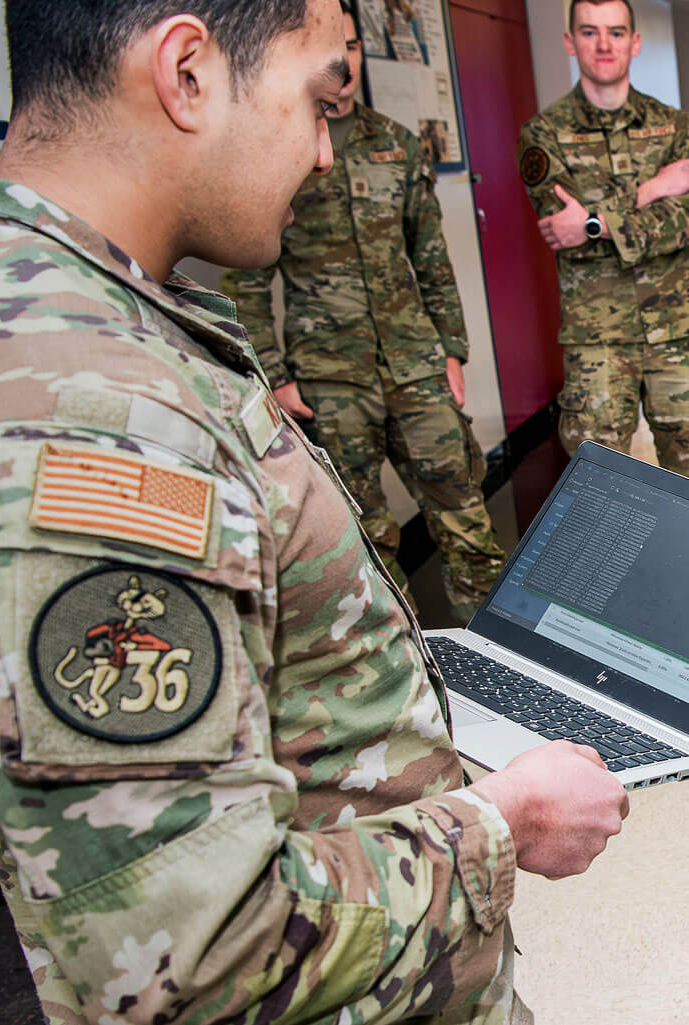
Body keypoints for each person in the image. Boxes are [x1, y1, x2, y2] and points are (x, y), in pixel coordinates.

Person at [0, 2, 629, 1023]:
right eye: (313, 96)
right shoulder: (100, 415)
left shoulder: (89, 318)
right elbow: (193, 947)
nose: (325, 155)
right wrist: (501, 823)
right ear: (188, 72)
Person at [220, 1, 506, 625]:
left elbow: (431, 256)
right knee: (366, 538)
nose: (345, 61)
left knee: (465, 515)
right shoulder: (286, 147)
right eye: (336, 47)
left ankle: (499, 662)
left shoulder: (397, 146)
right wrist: (276, 376)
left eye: (354, 46)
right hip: (330, 378)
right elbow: (247, 280)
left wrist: (451, 349)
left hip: (415, 363)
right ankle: (410, 671)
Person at [516, 0, 689, 485]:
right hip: (597, 342)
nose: (604, 45)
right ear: (570, 42)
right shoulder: (543, 136)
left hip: (676, 334)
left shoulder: (678, 129)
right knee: (598, 485)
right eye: (589, 32)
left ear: (635, 42)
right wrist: (651, 189)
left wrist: (592, 220)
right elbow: (563, 231)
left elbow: (681, 225)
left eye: (615, 32)